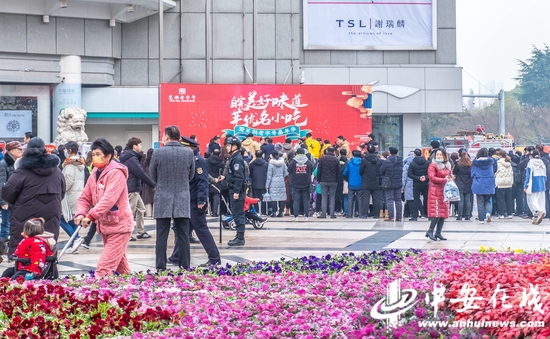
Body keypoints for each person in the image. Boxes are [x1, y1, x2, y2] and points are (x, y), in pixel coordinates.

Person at [74, 138, 133, 277]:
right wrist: (81, 213)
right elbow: (85, 196)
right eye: (93, 154)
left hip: (120, 226)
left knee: (103, 269)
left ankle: (97, 295)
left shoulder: (116, 173)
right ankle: (133, 292)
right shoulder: (95, 172)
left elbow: (109, 199)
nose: (95, 157)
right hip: (107, 225)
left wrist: (91, 216)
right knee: (122, 270)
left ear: (108, 156)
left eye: (99, 154)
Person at [2, 137, 65, 257]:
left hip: (25, 220)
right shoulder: (57, 172)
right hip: (50, 218)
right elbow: (62, 193)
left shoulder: (22, 171)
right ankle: (48, 274)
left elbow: (7, 193)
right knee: (47, 252)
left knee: (24, 255)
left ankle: (24, 274)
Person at [169, 136, 221, 267]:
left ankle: (214, 257)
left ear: (188, 148)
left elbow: (202, 182)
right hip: (188, 201)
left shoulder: (198, 161)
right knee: (185, 230)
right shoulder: (189, 160)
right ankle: (176, 256)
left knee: (201, 230)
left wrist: (201, 200)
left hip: (195, 202)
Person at [149, 126, 195, 269]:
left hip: (163, 196)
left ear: (167, 137)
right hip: (182, 195)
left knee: (162, 235)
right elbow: (191, 175)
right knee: (183, 235)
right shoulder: (188, 153)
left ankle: (161, 266)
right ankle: (184, 265)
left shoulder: (158, 153)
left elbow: (152, 175)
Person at [119, 137, 156, 240]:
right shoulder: (131, 158)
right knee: (129, 212)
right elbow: (141, 173)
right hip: (131, 188)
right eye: (140, 145)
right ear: (134, 146)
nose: (141, 147)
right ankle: (126, 233)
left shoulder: (131, 156)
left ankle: (140, 231)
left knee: (141, 209)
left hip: (134, 187)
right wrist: (152, 184)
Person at [60, 141, 86, 254]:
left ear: (69, 150)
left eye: (66, 149)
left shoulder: (70, 165)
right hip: (77, 194)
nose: (65, 151)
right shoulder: (80, 164)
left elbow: (68, 181)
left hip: (69, 196)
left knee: (61, 219)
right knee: (72, 221)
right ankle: (74, 243)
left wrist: (60, 189)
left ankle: (75, 239)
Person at [425, 148, 453, 241]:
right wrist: (445, 179)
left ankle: (438, 232)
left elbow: (449, 175)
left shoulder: (447, 165)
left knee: (443, 214)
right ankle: (430, 231)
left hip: (445, 192)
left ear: (445, 156)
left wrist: (451, 178)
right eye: (437, 155)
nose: (439, 156)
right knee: (436, 213)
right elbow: (432, 178)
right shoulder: (433, 165)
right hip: (435, 192)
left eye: (441, 155)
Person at [224, 137, 247, 246]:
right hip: (233, 188)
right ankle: (239, 236)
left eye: (229, 145)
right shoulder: (234, 158)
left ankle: (240, 237)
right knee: (236, 212)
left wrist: (237, 192)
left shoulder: (237, 159)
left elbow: (239, 177)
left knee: (238, 213)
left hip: (236, 190)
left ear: (235, 146)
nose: (227, 147)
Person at [0, 141, 24, 242]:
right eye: (19, 149)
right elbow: (1, 184)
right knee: (6, 226)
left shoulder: (19, 163)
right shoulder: (3, 164)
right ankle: (3, 250)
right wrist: (3, 201)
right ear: (12, 151)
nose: (21, 151)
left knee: (15, 225)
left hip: (16, 200)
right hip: (7, 201)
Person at [288, 147, 314, 221]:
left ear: (296, 153)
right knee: (306, 200)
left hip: (295, 183)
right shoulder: (308, 161)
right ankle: (306, 216)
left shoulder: (293, 161)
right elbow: (312, 169)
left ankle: (296, 216)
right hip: (306, 183)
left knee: (296, 200)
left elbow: (289, 169)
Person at [471, 148, 495, 224]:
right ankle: (488, 213)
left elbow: (472, 173)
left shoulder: (475, 163)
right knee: (487, 201)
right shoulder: (490, 162)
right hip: (489, 182)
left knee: (480, 202)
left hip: (479, 182)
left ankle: (481, 219)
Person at [379, 147, 404, 222]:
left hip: (389, 183)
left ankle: (391, 216)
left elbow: (381, 171)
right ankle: (399, 217)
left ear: (390, 152)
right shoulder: (400, 161)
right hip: (398, 182)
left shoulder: (387, 161)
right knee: (398, 200)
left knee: (389, 200)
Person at [524, 150, 547, 225]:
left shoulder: (530, 163)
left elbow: (528, 176)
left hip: (533, 183)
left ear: (531, 156)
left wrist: (525, 185)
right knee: (540, 200)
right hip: (542, 183)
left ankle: (537, 212)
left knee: (531, 199)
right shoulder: (542, 163)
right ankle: (539, 213)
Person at [317, 146, 340, 218]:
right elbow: (338, 171)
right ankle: (332, 214)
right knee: (332, 197)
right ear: (333, 152)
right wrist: (337, 180)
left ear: (327, 151)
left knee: (324, 197)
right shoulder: (336, 159)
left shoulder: (322, 159)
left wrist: (318, 179)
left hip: (324, 180)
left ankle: (323, 214)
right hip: (333, 181)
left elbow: (319, 170)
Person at [359, 145, 381, 219]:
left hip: (366, 181)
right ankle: (376, 214)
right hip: (376, 181)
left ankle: (364, 214)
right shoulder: (378, 160)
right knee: (376, 198)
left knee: (365, 198)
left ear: (367, 150)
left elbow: (361, 171)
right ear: (375, 150)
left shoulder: (364, 160)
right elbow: (379, 170)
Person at [408, 148, 430, 221]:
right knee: (426, 199)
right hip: (426, 183)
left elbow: (409, 174)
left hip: (416, 184)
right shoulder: (427, 162)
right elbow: (430, 173)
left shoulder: (412, 163)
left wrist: (418, 178)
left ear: (414, 155)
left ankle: (415, 216)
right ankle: (427, 214)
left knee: (416, 199)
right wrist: (425, 177)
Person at [265, 150, 288, 217]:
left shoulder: (271, 164)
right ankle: (281, 212)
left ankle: (274, 212)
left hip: (273, 181)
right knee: (281, 197)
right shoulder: (283, 163)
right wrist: (282, 177)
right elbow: (286, 172)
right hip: (281, 181)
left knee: (273, 197)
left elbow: (269, 175)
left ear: (272, 155)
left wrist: (267, 185)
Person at [453, 149, 473, 220]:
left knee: (460, 200)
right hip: (468, 183)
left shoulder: (458, 164)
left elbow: (454, 172)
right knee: (468, 200)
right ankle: (468, 215)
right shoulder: (470, 163)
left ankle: (460, 215)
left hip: (460, 183)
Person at [343, 150, 363, 219]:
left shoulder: (349, 163)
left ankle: (349, 214)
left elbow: (345, 173)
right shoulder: (362, 163)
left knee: (350, 199)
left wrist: (348, 179)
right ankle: (360, 214)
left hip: (351, 183)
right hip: (360, 183)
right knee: (360, 199)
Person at [495, 150, 514, 219]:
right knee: (508, 199)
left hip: (501, 183)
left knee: (501, 199)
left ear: (500, 156)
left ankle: (501, 214)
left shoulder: (498, 162)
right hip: (509, 183)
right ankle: (509, 214)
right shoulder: (509, 163)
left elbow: (496, 171)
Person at [249, 150, 268, 215]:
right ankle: (264, 211)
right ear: (262, 155)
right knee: (263, 199)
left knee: (255, 198)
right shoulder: (265, 164)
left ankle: (256, 211)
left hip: (255, 183)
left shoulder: (252, 164)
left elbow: (250, 173)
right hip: (263, 182)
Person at [207, 149, 225, 217]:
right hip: (217, 180)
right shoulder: (221, 163)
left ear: (212, 153)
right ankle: (214, 213)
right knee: (216, 197)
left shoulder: (207, 161)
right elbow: (223, 173)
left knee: (208, 196)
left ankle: (207, 212)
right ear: (219, 154)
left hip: (208, 179)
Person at [141, 148, 155, 219]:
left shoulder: (145, 162)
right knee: (154, 198)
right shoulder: (155, 161)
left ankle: (149, 213)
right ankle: (155, 213)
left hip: (146, 181)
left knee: (148, 198)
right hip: (154, 181)